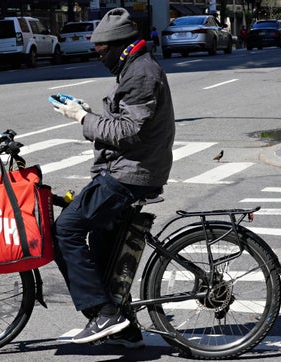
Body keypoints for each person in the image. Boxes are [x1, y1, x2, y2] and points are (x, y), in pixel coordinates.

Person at [51, 8, 175, 347]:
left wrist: (81, 118)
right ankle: (125, 327)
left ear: (120, 46)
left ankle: (104, 314)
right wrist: (86, 113)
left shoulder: (140, 73)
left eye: (101, 50)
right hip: (126, 168)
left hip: (131, 172)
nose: (98, 56)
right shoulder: (133, 68)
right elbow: (123, 124)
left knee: (66, 229)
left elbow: (129, 132)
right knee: (102, 246)